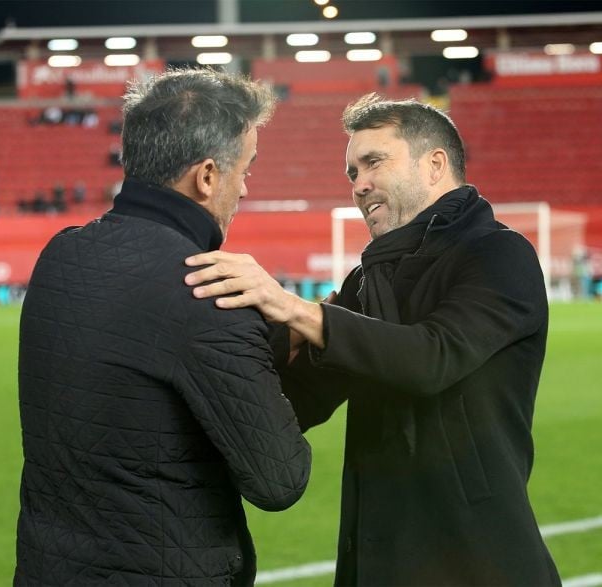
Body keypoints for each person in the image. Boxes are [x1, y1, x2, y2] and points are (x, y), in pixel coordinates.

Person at [184, 93, 561, 586]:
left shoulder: (499, 255)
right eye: (351, 174)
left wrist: (296, 309)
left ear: (435, 164)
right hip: (376, 553)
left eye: (373, 163)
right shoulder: (368, 279)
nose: (359, 186)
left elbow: (432, 358)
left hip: (475, 557)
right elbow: (300, 398)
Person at [14, 68, 311, 587]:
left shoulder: (60, 254)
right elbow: (279, 479)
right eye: (246, 168)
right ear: (207, 177)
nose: (245, 187)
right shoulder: (208, 290)